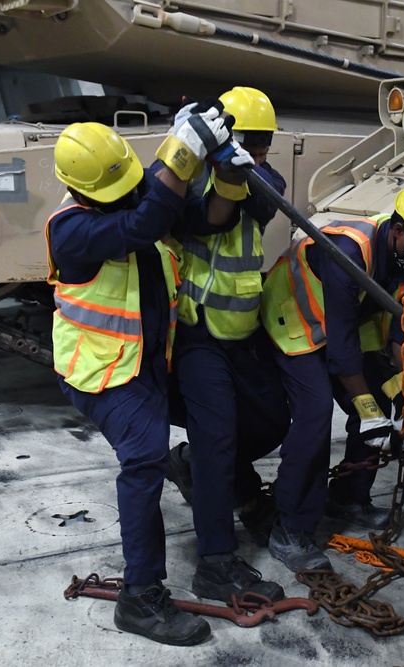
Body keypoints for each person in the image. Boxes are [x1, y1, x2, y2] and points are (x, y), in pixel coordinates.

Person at [45, 103, 257, 645]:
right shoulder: (71, 230)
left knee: (220, 427)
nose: (130, 194)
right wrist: (181, 149)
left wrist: (229, 181)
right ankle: (139, 599)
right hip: (103, 374)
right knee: (143, 461)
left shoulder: (131, 191)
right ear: (83, 189)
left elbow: (206, 219)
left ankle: (214, 558)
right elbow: (142, 225)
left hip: (145, 363)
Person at [259, 179, 404, 572]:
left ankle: (348, 497)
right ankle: (290, 528)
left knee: (384, 402)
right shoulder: (349, 251)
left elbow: (402, 332)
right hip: (295, 319)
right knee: (316, 414)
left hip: (349, 321)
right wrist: (368, 410)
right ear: (400, 232)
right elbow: (341, 347)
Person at [163, 87, 290, 603]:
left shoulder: (263, 177)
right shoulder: (189, 186)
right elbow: (196, 213)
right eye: (250, 142)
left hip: (241, 333)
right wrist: (201, 153)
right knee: (218, 441)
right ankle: (215, 562)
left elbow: (262, 196)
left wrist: (236, 163)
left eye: (264, 144)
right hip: (197, 335)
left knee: (270, 420)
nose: (260, 152)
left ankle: (194, 465)